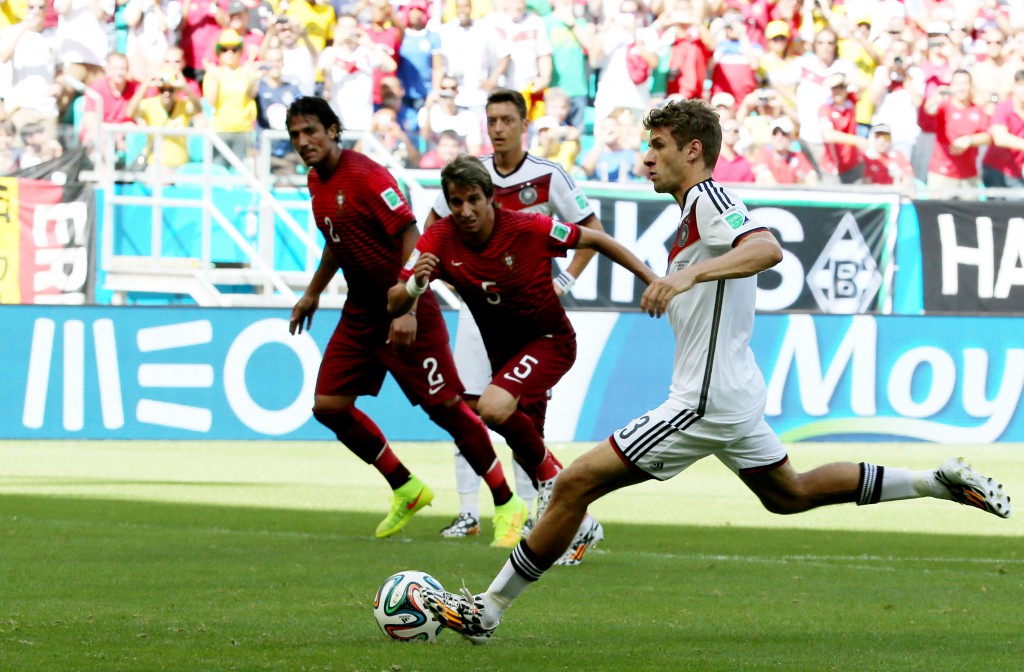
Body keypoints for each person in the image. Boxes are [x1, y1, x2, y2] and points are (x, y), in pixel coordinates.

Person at [418, 98, 1013, 644]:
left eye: (659, 146)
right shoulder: (687, 213)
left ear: (693, 151)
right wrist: (680, 276)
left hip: (703, 399)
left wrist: (687, 275)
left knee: (573, 485)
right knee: (790, 493)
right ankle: (936, 481)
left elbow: (767, 248)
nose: (646, 157)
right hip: (729, 391)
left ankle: (487, 611)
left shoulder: (710, 199)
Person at [284, 95, 530, 547]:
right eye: (295, 135)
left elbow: (413, 238)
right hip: (361, 312)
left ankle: (507, 503)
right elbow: (337, 240)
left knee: (448, 410)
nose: (303, 142)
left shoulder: (370, 176)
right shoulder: (316, 181)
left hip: (406, 307)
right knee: (328, 407)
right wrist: (313, 291)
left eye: (311, 132)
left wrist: (410, 306)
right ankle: (406, 486)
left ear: (333, 130)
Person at [388, 153, 658, 561]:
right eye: (456, 202)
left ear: (490, 197)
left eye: (473, 199)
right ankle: (580, 525)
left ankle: (552, 479)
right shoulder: (438, 240)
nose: (465, 210)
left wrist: (655, 281)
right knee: (516, 431)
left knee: (492, 409)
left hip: (550, 341)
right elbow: (393, 301)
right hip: (506, 355)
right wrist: (415, 287)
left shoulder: (528, 227)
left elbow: (598, 238)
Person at [422, 88, 605, 542]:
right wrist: (460, 282)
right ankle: (469, 512)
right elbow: (431, 230)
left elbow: (593, 232)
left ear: (525, 125)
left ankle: (534, 513)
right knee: (467, 408)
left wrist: (564, 283)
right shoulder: (470, 176)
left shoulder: (548, 176)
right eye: (492, 120)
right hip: (477, 311)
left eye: (507, 120)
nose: (499, 128)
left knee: (522, 416)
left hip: (530, 317)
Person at [862, 122, 914, 191]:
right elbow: (867, 183)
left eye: (886, 136)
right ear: (872, 138)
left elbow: (907, 180)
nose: (882, 140)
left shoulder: (899, 156)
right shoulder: (866, 157)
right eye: (878, 136)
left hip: (896, 196)